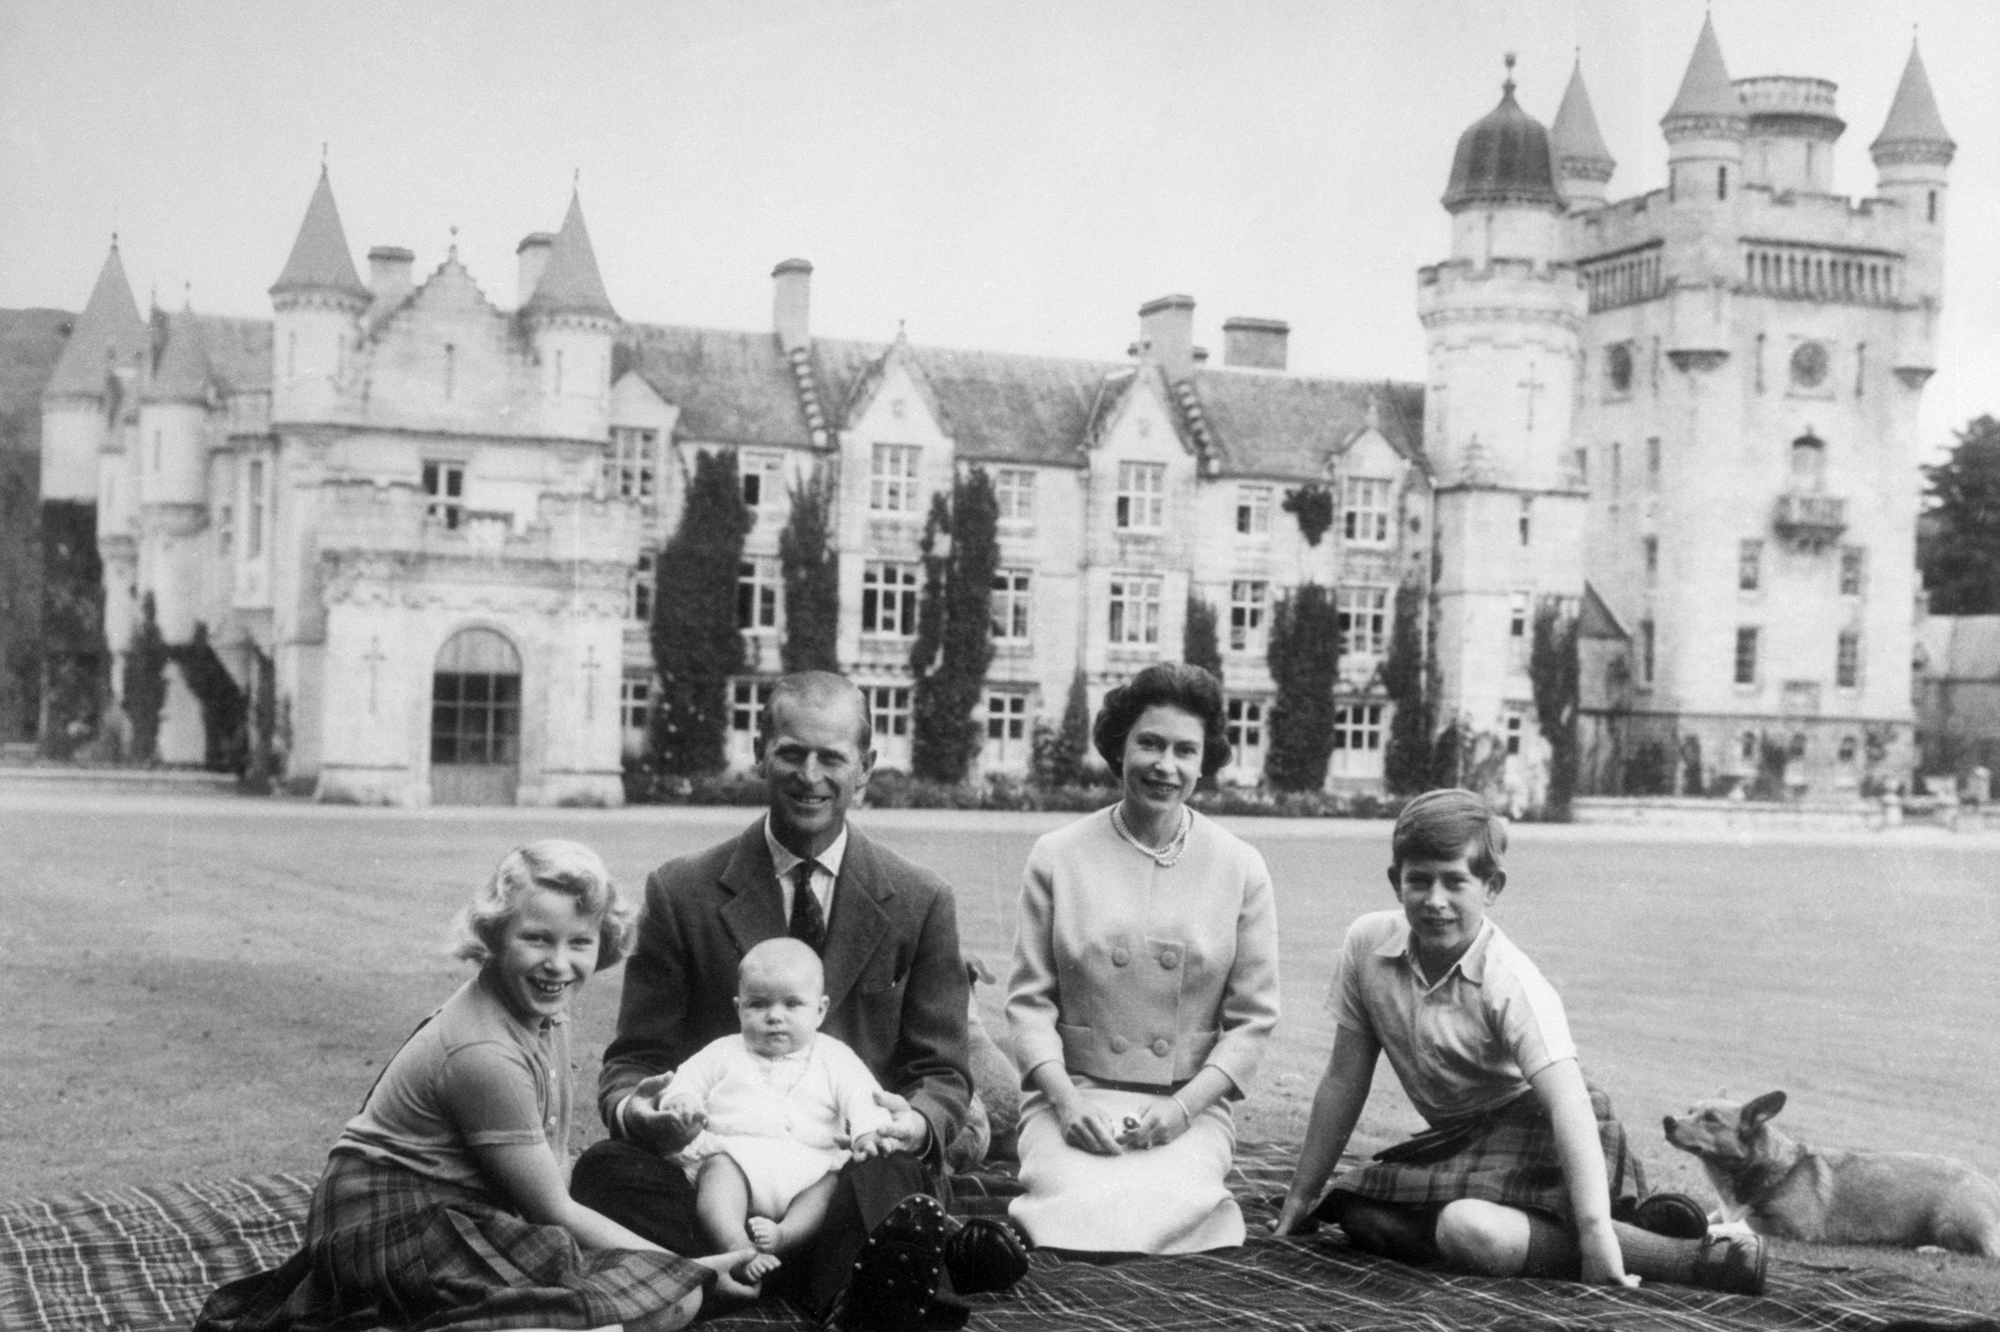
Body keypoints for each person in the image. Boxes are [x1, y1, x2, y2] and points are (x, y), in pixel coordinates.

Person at [572, 670, 1024, 1331]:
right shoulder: (682, 892)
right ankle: (873, 1278)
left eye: (832, 757)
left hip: (848, 1177)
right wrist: (645, 1113)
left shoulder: (921, 899)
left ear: (865, 768)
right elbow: (634, 1063)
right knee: (605, 1173)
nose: (809, 775)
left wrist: (917, 1122)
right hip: (715, 1177)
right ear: (761, 753)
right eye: (791, 752)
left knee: (899, 1171)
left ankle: (761, 1277)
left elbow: (942, 1075)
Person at [194, 840, 747, 1332]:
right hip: (390, 1226)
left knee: (648, 1282)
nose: (559, 964)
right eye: (536, 939)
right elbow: (555, 1208)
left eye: (579, 942)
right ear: (495, 936)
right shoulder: (483, 1052)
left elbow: (550, 1166)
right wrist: (691, 1268)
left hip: (459, 1214)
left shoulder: (542, 1008)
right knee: (667, 1298)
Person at [1270, 789, 1768, 1295]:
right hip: (1460, 1141)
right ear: (1395, 881)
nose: (1434, 900)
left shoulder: (1509, 980)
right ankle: (1638, 1222)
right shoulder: (1366, 944)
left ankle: (1688, 1256)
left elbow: (1569, 1103)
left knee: (1466, 1229)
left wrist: (1595, 1235)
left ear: (1491, 887)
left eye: (1455, 882)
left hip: (1545, 1128)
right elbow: (1343, 1078)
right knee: (1355, 1213)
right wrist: (1300, 1197)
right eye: (1418, 880)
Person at [1005, 661, 1280, 1254]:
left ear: (1205, 762)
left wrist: (1184, 1110)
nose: (1165, 765)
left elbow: (1254, 1023)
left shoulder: (1240, 866)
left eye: (1185, 750)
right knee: (1078, 1207)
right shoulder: (1056, 857)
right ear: (1118, 748)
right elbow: (1028, 1006)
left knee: (1167, 1211)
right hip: (1075, 1095)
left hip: (1185, 1104)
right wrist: (1067, 1102)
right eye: (1149, 743)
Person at [654, 937, 894, 1300]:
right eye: (758, 1004)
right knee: (717, 1174)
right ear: (738, 1007)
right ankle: (736, 1247)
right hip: (738, 1156)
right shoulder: (723, 1052)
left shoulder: (835, 1057)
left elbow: (863, 1096)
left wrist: (866, 1132)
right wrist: (683, 1100)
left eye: (793, 1004)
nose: (775, 1016)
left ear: (820, 1009)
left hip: (808, 1164)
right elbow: (685, 1081)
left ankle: (785, 1236)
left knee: (828, 1186)